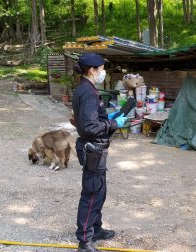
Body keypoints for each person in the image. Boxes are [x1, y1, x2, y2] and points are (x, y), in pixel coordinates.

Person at [72, 53, 127, 252]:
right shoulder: (86, 92)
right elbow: (88, 127)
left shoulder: (87, 89)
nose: (103, 72)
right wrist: (113, 123)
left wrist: (107, 117)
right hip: (93, 148)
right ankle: (85, 241)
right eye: (102, 68)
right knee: (92, 193)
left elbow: (91, 119)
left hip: (98, 149)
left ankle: (96, 228)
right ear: (92, 70)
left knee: (99, 191)